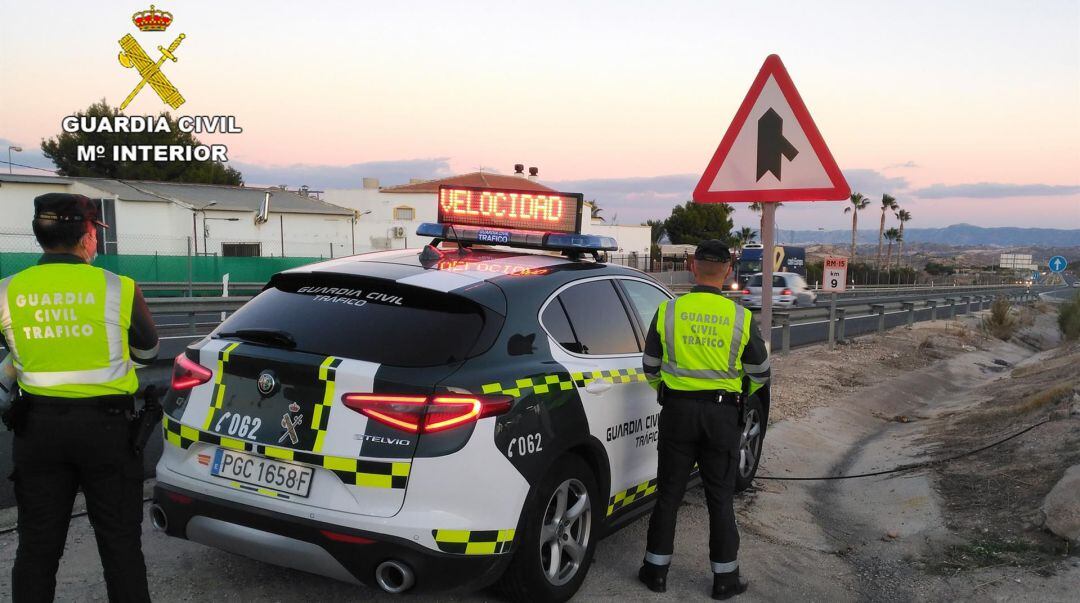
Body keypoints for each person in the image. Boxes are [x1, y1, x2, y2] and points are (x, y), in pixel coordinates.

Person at [0, 193, 159, 602]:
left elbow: (11, 359)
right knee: (121, 549)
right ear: (88, 236)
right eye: (95, 235)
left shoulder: (7, 291)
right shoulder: (118, 287)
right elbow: (147, 352)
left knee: (36, 550)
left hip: (37, 431)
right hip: (108, 432)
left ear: (40, 236)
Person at [638, 239, 770, 600]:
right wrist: (738, 392)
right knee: (720, 497)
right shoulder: (741, 317)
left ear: (694, 267)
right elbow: (760, 372)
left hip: (677, 413)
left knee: (668, 494)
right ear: (728, 271)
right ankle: (724, 579)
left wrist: (668, 389)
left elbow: (650, 367)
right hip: (722, 417)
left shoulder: (668, 311)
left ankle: (655, 572)